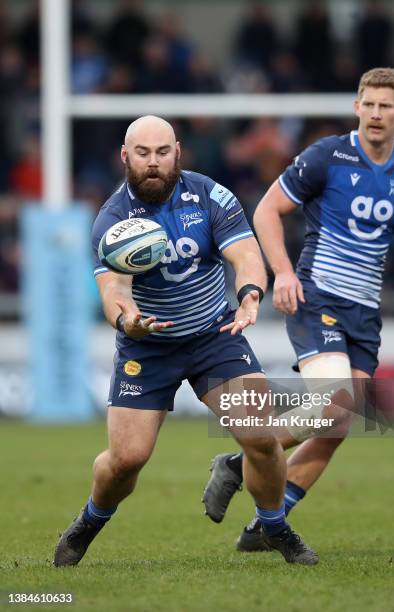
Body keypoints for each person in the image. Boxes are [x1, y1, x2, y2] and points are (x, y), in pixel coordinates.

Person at [53, 115, 317, 567]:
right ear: (125, 157)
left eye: (161, 152)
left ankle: (273, 526)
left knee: (261, 439)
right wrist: (129, 322)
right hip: (148, 346)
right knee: (126, 460)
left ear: (177, 151)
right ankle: (90, 520)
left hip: (214, 336)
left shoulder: (211, 196)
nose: (153, 163)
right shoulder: (112, 221)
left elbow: (246, 254)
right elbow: (114, 293)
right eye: (142, 153)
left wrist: (250, 294)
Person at [202, 68, 394, 553]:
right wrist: (285, 273)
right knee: (335, 403)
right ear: (357, 107)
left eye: (385, 106)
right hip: (318, 298)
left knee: (336, 426)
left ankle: (258, 516)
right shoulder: (327, 156)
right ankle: (246, 467)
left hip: (365, 312)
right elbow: (266, 210)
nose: (376, 114)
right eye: (368, 104)